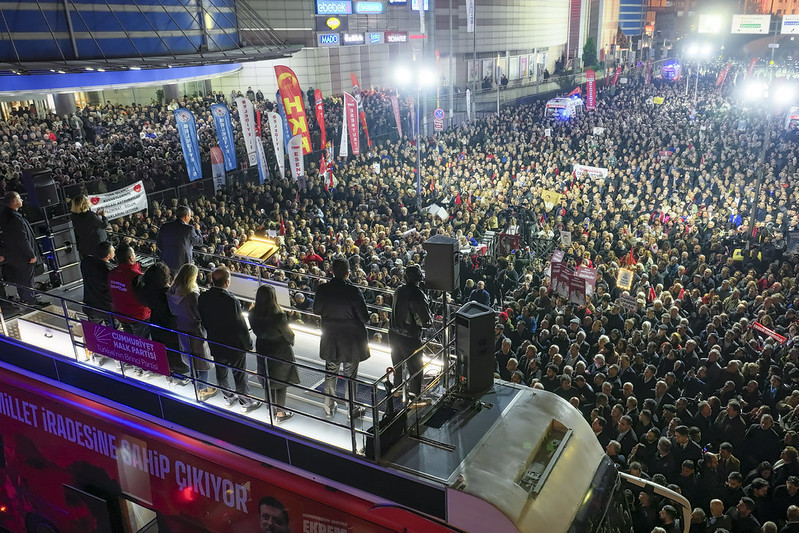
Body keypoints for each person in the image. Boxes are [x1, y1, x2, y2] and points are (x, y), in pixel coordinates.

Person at [313, 258, 370, 420]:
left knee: (330, 372)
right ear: (347, 273)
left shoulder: (323, 289)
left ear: (331, 271)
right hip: (351, 340)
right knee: (350, 375)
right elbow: (364, 317)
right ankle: (351, 408)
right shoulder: (353, 291)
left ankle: (328, 406)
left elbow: (316, 310)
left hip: (330, 337)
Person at [198, 266, 260, 412]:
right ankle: (245, 402)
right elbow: (240, 325)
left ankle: (228, 397)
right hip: (233, 344)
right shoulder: (231, 300)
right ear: (226, 282)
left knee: (221, 371)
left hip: (215, 341)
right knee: (239, 373)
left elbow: (204, 319)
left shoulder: (203, 297)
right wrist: (248, 344)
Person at [250, 284, 300, 422]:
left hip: (262, 348)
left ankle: (270, 410)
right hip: (279, 351)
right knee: (280, 382)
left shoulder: (253, 313)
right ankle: (280, 413)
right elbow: (289, 335)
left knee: (268, 380)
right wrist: (291, 340)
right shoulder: (278, 316)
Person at [168, 264, 217, 400]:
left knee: (190, 356)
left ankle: (196, 382)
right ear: (191, 277)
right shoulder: (192, 295)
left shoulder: (172, 291)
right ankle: (202, 389)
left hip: (182, 326)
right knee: (201, 360)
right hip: (195, 329)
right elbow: (199, 313)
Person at [138, 262, 193, 385]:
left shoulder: (147, 291)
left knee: (163, 349)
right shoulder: (167, 293)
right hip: (170, 326)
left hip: (156, 324)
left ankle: (168, 373)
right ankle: (178, 377)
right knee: (175, 350)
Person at [389, 264, 432, 406]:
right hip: (410, 338)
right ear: (419, 278)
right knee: (416, 368)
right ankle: (415, 398)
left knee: (397, 363)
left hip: (394, 334)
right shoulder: (417, 294)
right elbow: (425, 321)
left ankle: (397, 388)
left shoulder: (398, 290)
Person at [0, 191, 44, 306]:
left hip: (16, 255)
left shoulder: (8, 216)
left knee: (22, 279)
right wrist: (31, 255)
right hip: (23, 256)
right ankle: (30, 301)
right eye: (20, 198)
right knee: (26, 280)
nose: (22, 200)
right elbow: (22, 239)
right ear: (14, 202)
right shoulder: (14, 218)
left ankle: (27, 299)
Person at [108, 244, 150, 338]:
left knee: (130, 341)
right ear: (131, 258)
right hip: (138, 317)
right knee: (142, 343)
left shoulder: (112, 274)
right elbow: (145, 299)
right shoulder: (136, 277)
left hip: (121, 314)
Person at [155, 205, 203, 272]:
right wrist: (197, 230)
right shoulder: (189, 229)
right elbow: (199, 242)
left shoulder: (164, 226)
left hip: (166, 261)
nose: (190, 218)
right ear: (186, 216)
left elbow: (159, 243)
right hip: (183, 264)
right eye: (190, 216)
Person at [80, 241, 116, 328]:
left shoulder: (86, 262)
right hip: (107, 308)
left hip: (90, 304)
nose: (114, 250)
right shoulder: (109, 270)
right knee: (114, 332)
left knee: (95, 332)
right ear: (108, 256)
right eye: (113, 250)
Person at [69, 194, 107, 259]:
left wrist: (96, 216)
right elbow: (104, 225)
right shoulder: (90, 215)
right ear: (84, 203)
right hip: (96, 245)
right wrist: (104, 216)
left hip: (85, 247)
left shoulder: (73, 217)